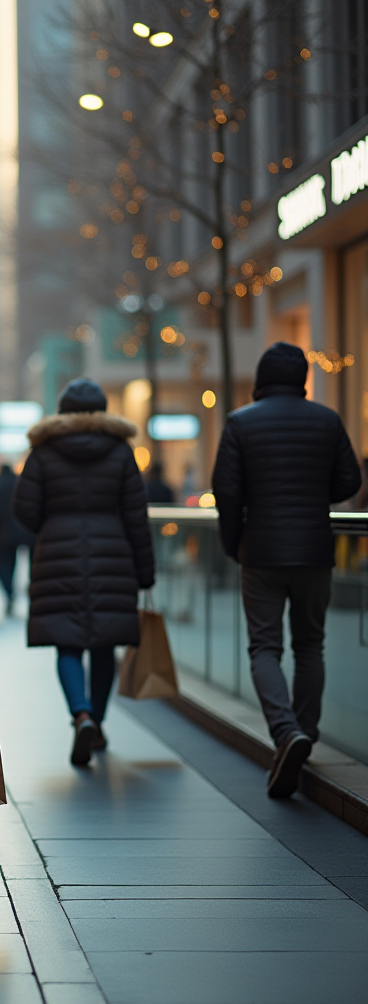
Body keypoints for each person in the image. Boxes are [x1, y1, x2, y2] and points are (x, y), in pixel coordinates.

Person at [212, 342, 361, 799]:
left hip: (260, 550)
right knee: (310, 644)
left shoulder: (240, 422)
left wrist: (233, 542)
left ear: (261, 378)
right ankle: (304, 732)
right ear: (302, 379)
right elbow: (349, 481)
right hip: (315, 548)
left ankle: (284, 732)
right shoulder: (327, 419)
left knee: (264, 646)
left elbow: (226, 490)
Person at [13, 378, 154, 767]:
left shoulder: (43, 452)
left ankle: (81, 714)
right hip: (114, 552)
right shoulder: (121, 451)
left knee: (67, 641)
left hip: (58, 551)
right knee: (105, 643)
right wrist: (145, 571)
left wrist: (52, 521)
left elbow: (24, 510)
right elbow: (136, 516)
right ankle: (98, 720)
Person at [0, 462, 30, 616]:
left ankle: (9, 593)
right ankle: (25, 591)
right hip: (23, 531)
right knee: (24, 563)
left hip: (3, 534)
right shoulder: (20, 484)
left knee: (5, 565)